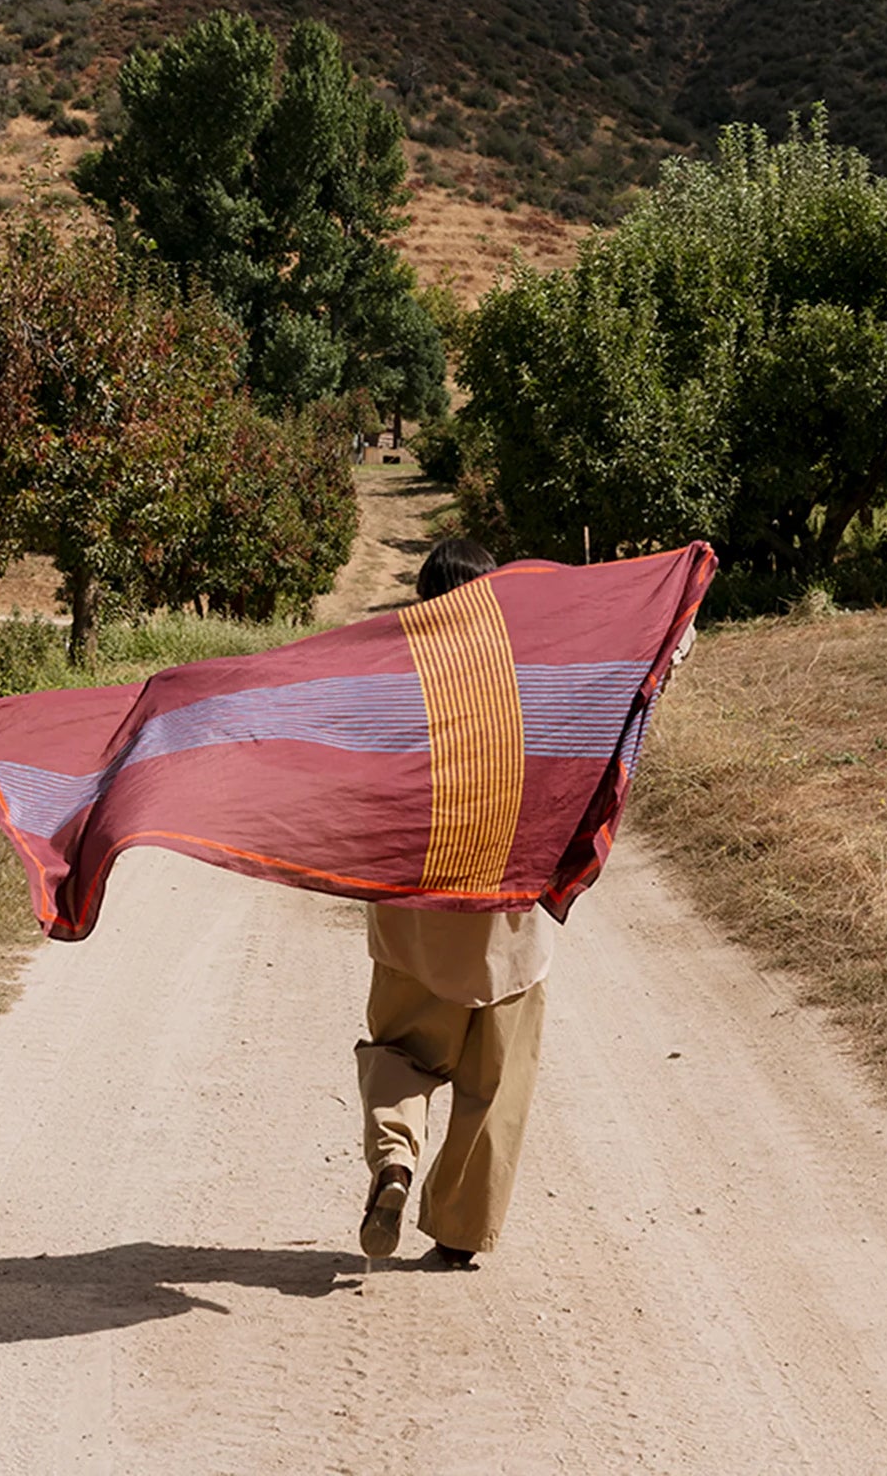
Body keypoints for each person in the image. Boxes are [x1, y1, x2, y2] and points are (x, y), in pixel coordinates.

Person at [355, 536, 552, 1270]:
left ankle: (394, 1163)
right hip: (506, 924)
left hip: (413, 921)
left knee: (401, 1054)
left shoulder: (394, 683)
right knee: (492, 1084)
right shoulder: (527, 684)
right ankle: (460, 1234)